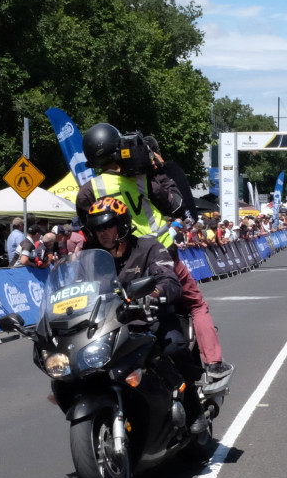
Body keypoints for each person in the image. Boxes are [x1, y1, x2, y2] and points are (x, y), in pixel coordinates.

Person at [75, 123, 232, 379]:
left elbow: (89, 233)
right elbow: (177, 206)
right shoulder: (143, 179)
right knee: (196, 305)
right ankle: (213, 363)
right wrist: (158, 172)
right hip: (162, 256)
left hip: (118, 265)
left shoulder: (88, 192)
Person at [82, 196, 207, 434]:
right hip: (107, 327)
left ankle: (192, 406)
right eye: (97, 228)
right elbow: (74, 287)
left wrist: (154, 294)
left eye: (108, 225)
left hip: (149, 320)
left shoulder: (148, 247)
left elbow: (168, 280)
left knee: (173, 348)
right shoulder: (90, 257)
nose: (103, 232)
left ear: (122, 224)